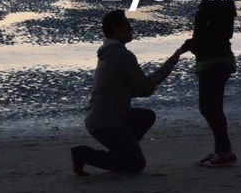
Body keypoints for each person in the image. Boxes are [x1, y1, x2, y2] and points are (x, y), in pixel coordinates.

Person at [71, 9, 185, 175]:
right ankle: (83, 154)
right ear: (115, 30)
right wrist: (173, 59)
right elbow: (145, 88)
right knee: (136, 165)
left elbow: (135, 89)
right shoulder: (121, 55)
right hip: (106, 122)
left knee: (145, 116)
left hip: (103, 117)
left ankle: (122, 152)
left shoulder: (109, 51)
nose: (131, 29)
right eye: (127, 26)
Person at [184, 0, 238, 167]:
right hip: (212, 60)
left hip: (215, 60)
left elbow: (219, 34)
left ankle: (224, 151)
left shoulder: (217, 3)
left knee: (209, 108)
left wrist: (193, 43)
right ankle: (222, 150)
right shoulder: (216, 1)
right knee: (211, 107)